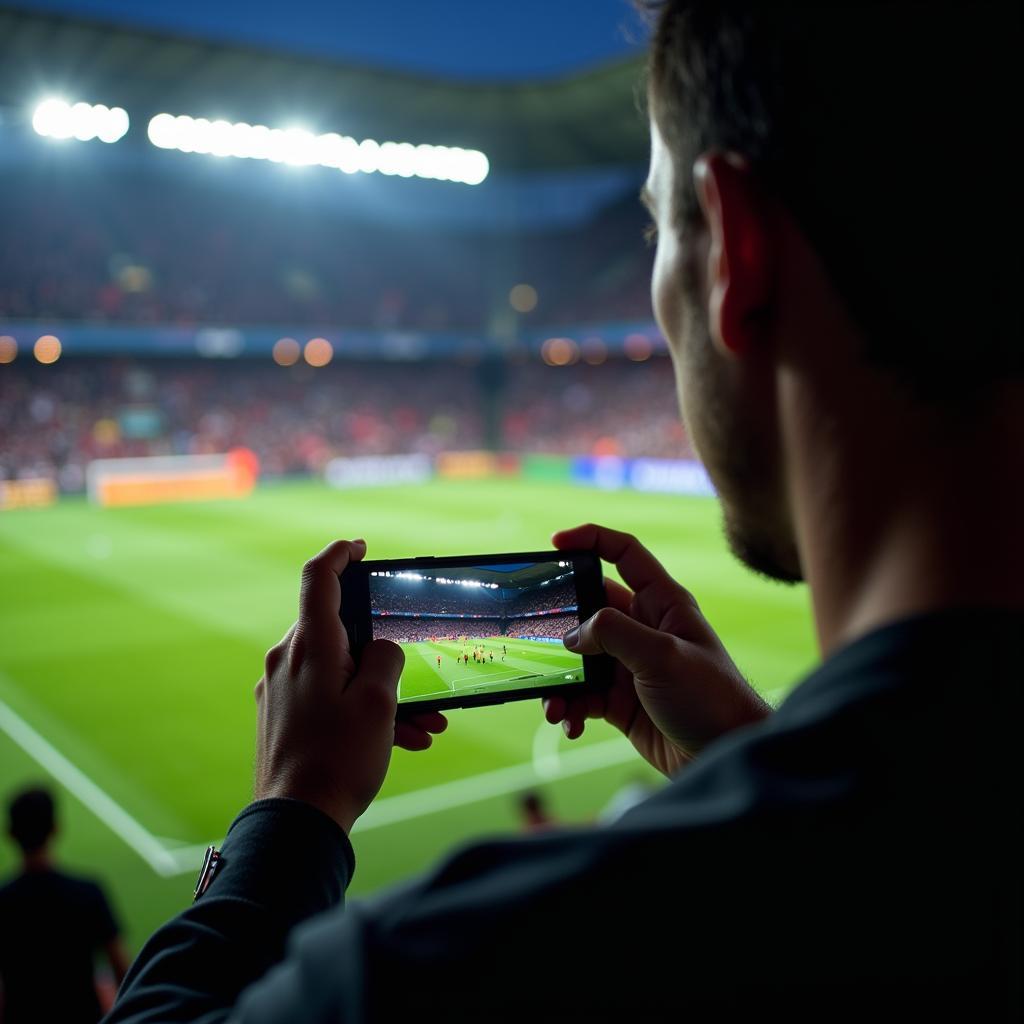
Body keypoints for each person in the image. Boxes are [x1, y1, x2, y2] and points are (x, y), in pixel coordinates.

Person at [107, 3, 1020, 1021]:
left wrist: (289, 816)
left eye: (655, 230)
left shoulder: (478, 966)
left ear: (735, 253)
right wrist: (746, 758)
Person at [0, 786, 129, 1024]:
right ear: (55, 829)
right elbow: (122, 971)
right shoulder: (89, 893)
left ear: (10, 833)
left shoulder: (4, 902)